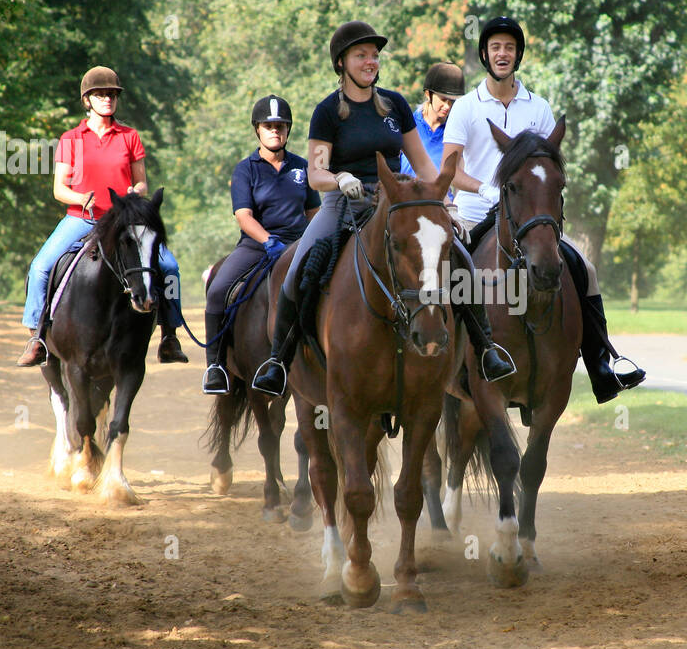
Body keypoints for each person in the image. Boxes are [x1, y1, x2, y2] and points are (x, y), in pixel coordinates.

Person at [250, 21, 513, 396]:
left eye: (374, 55)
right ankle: (279, 359)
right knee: (299, 265)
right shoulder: (327, 112)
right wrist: (339, 179)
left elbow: (422, 165)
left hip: (396, 201)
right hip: (343, 202)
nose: (371, 61)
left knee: (459, 256)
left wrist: (445, 204)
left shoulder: (394, 106)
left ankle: (486, 348)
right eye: (362, 55)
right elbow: (314, 173)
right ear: (341, 62)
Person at [443, 15, 645, 404]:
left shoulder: (538, 107)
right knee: (446, 274)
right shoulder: (466, 107)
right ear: (485, 55)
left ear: (518, 55)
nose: (503, 54)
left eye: (510, 48)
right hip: (473, 212)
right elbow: (450, 169)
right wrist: (485, 189)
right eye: (496, 47)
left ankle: (603, 362)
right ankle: (443, 364)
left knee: (584, 269)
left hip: (527, 217)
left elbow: (549, 167)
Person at [17, 66, 188, 367]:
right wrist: (81, 197)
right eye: (100, 94)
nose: (108, 99)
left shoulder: (129, 136)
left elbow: (142, 182)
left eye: (112, 94)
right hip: (82, 218)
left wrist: (136, 191)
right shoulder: (71, 139)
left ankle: (169, 335)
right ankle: (37, 336)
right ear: (87, 100)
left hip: (123, 221)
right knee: (40, 266)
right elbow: (59, 189)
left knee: (170, 266)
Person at [202, 95, 320, 394]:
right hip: (256, 246)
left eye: (280, 126)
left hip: (298, 245)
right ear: (258, 129)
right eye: (269, 126)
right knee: (217, 291)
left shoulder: (302, 168)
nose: (275, 131)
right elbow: (243, 215)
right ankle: (215, 367)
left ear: (288, 129)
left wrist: (310, 241)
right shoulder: (246, 169)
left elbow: (313, 212)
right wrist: (268, 241)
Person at [399, 63, 464, 203]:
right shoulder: (407, 125)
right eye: (443, 99)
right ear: (428, 94)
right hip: (406, 206)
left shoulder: (455, 133)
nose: (447, 106)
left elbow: (461, 174)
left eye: (452, 102)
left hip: (440, 207)